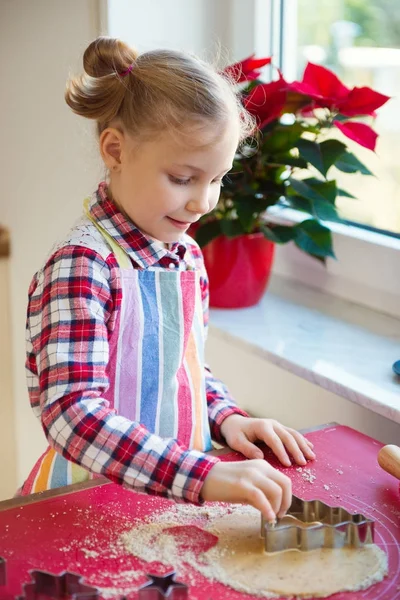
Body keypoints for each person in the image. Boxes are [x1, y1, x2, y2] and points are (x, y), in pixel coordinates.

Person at [20, 37, 315, 522]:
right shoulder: (82, 266)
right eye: (183, 178)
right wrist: (204, 476)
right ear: (115, 150)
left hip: (173, 497)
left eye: (218, 178)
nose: (204, 202)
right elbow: (73, 416)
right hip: (90, 502)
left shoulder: (185, 255)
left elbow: (184, 371)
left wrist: (229, 418)